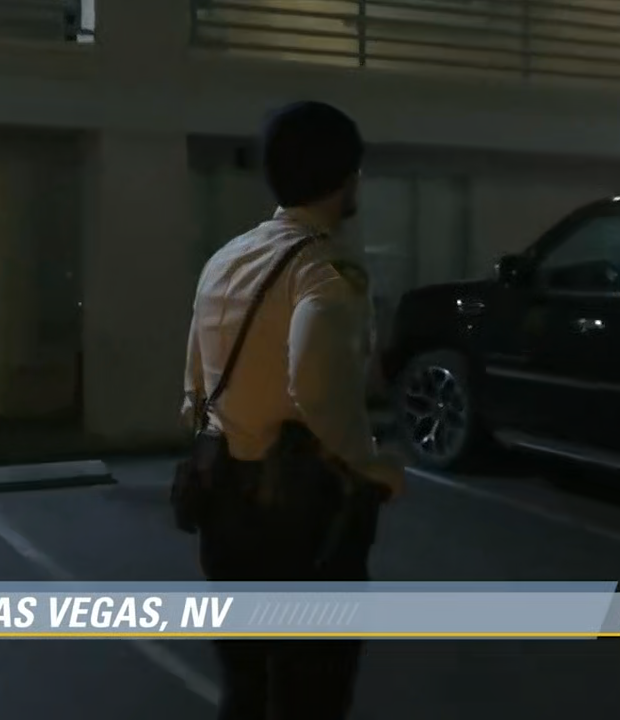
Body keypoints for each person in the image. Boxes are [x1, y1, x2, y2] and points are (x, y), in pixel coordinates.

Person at [181, 101, 405, 720]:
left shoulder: (227, 258)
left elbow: (194, 387)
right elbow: (318, 389)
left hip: (222, 499)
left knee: (245, 687)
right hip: (305, 511)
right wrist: (373, 468)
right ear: (347, 177)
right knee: (313, 691)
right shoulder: (327, 268)